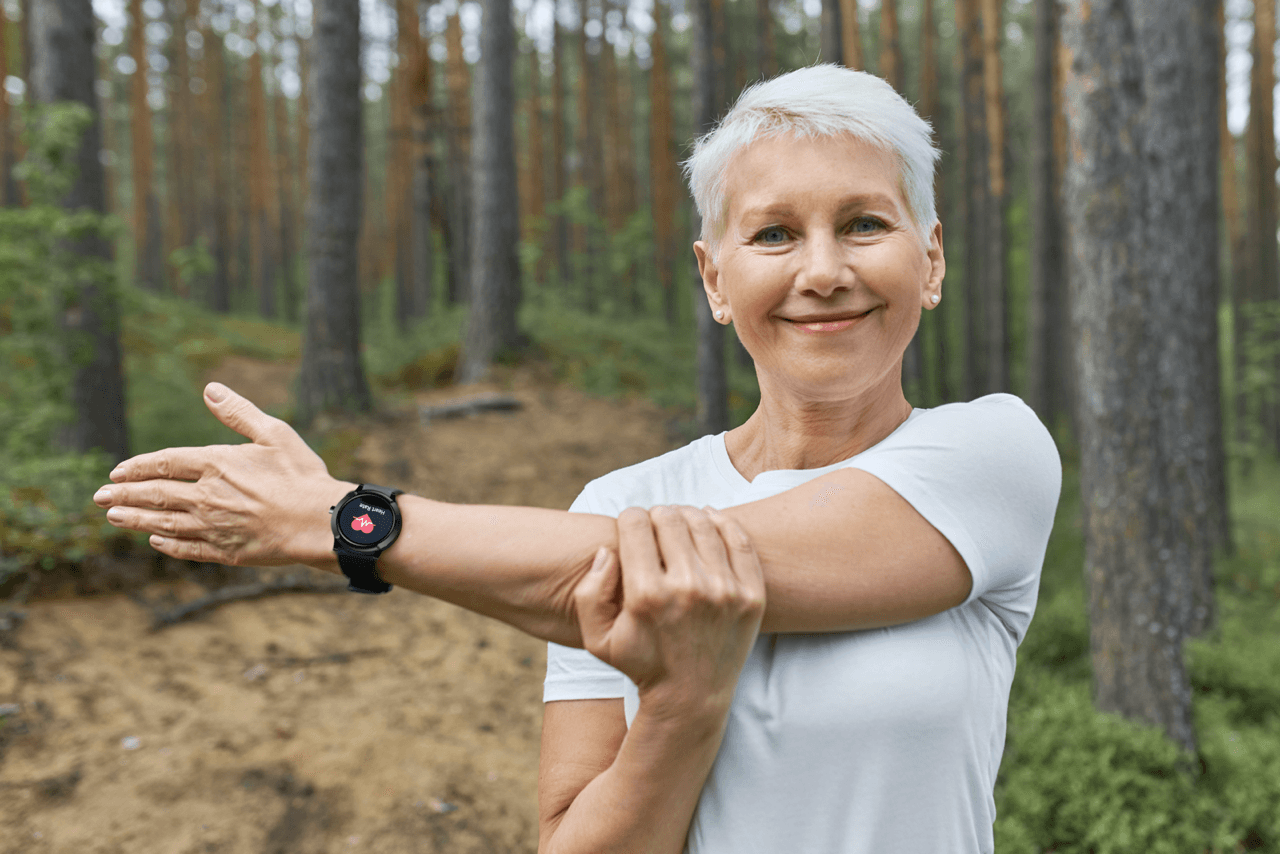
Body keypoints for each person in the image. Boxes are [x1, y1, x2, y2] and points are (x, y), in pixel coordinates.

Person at [94, 64, 1061, 854]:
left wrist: (347, 523)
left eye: (864, 224)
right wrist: (683, 706)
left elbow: (666, 570)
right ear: (715, 277)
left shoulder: (993, 454)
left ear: (929, 260)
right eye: (773, 233)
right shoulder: (621, 499)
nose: (821, 270)